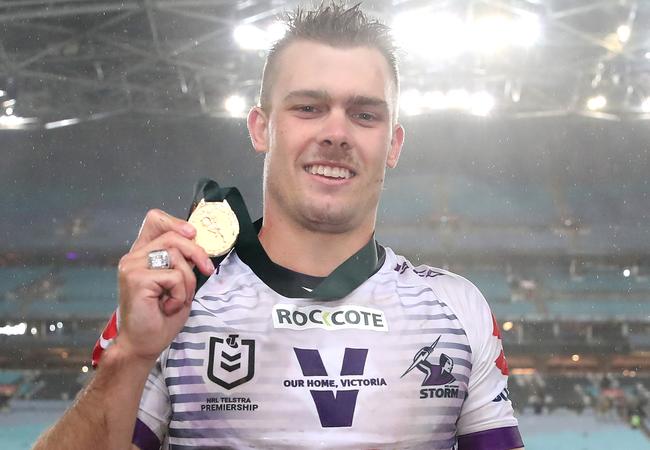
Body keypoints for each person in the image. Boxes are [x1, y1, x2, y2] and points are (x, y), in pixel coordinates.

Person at [34, 3, 524, 449]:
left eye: (364, 114)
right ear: (261, 127)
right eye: (308, 107)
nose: (336, 133)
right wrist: (131, 356)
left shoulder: (457, 311)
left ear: (394, 144)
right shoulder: (178, 302)